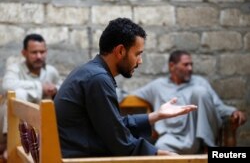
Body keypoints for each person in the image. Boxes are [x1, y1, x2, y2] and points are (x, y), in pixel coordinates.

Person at [54, 18, 197, 158]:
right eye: (137, 54)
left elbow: (113, 126)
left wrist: (157, 115)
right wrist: (159, 154)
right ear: (121, 51)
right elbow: (119, 141)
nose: (140, 61)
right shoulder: (98, 79)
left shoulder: (92, 72)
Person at [131, 50, 247, 154]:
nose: (190, 68)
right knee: (160, 147)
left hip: (198, 137)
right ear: (172, 66)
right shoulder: (157, 86)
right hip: (172, 137)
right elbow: (129, 96)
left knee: (199, 92)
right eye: (186, 65)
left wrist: (234, 112)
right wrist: (113, 91)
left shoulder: (200, 83)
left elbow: (217, 106)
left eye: (191, 65)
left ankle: (208, 149)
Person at [0, 33, 61, 159]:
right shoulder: (15, 69)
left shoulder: (51, 72)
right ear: (24, 53)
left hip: (39, 129)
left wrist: (54, 89)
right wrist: (40, 87)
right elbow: (6, 86)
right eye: (34, 52)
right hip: (12, 128)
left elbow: (63, 88)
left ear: (46, 52)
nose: (39, 56)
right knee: (18, 94)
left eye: (42, 52)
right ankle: (9, 144)